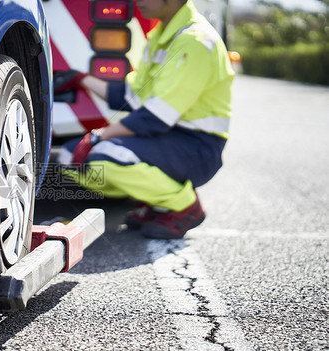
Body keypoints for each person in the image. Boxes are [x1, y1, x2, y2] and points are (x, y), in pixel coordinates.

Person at [55, 0, 234, 239]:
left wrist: (98, 136)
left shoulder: (195, 41)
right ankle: (157, 202)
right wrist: (81, 79)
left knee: (103, 157)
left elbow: (155, 117)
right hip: (168, 138)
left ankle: (184, 206)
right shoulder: (161, 35)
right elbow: (132, 96)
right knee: (69, 157)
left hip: (198, 148)